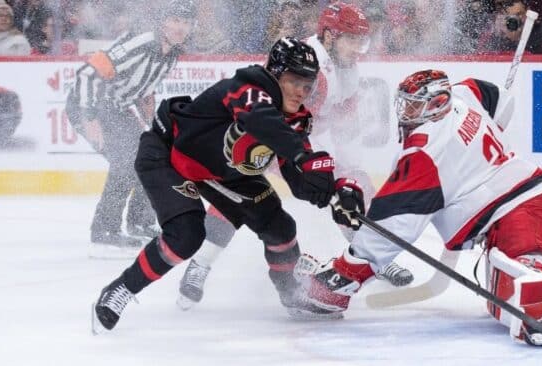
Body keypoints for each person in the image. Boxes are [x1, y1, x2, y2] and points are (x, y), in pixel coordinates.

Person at [295, 70, 542, 344]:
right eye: (405, 103)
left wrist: (346, 276)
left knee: (514, 290)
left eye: (414, 104)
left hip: (522, 212)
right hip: (532, 205)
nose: (405, 112)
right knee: (502, 274)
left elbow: (393, 226)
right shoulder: (463, 95)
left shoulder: (425, 151)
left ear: (436, 103)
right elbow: (498, 98)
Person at [91, 36, 367, 333]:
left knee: (280, 227)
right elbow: (262, 121)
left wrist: (335, 193)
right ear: (274, 73)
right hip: (169, 154)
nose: (301, 91)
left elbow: (301, 183)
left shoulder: (297, 121)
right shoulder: (249, 87)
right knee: (186, 235)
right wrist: (301, 154)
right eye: (294, 81)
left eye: (307, 85)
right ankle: (121, 289)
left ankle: (291, 293)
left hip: (224, 173)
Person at [175, 1, 413, 311]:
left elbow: (342, 125)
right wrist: (318, 168)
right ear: (329, 36)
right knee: (241, 196)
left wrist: (349, 171)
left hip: (291, 141)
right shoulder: (314, 71)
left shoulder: (347, 70)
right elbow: (284, 127)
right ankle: (200, 265)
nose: (358, 49)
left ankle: (371, 256)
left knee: (354, 187)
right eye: (351, 39)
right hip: (259, 139)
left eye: (361, 41)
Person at [66, 0, 194, 257]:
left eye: (186, 23)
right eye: (175, 21)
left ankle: (139, 222)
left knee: (152, 159)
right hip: (88, 105)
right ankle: (104, 230)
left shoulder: (173, 53)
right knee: (126, 162)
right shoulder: (142, 43)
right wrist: (90, 118)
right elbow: (87, 74)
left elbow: (142, 87)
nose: (180, 28)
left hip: (118, 109)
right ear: (163, 22)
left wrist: (148, 114)